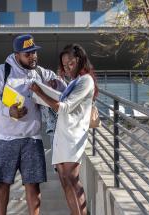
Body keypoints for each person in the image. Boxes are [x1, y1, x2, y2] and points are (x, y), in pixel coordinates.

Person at [0, 34, 65, 215]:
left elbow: (62, 87)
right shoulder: (2, 71)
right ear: (17, 54)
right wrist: (7, 110)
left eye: (34, 52)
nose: (33, 57)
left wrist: (56, 83)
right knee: (2, 184)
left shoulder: (41, 73)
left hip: (32, 139)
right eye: (27, 54)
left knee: (33, 184)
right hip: (4, 139)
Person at [30, 43, 99, 215]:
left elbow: (64, 107)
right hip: (61, 135)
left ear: (80, 60)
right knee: (64, 181)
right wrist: (54, 88)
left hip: (73, 136)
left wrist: (40, 93)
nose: (67, 68)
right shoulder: (73, 82)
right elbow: (62, 99)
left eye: (71, 63)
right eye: (64, 65)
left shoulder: (86, 80)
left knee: (72, 179)